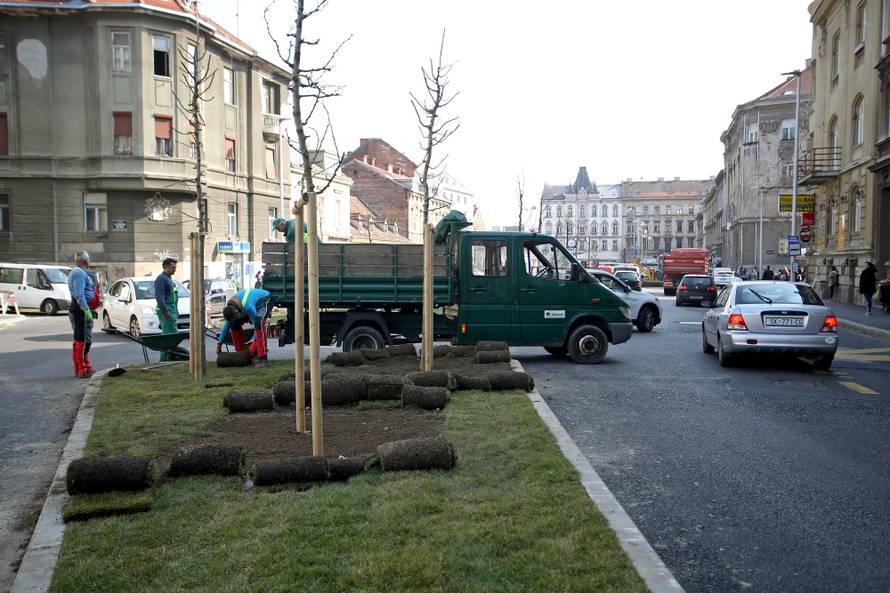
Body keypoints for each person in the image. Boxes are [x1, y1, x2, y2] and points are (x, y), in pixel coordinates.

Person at [217, 287, 272, 368]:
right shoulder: (230, 309)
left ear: (237, 311)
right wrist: (219, 344)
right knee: (234, 324)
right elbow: (226, 326)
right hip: (246, 306)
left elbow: (257, 326)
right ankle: (242, 354)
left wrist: (254, 343)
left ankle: (263, 358)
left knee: (259, 322)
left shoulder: (248, 306)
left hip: (266, 299)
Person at [67, 251, 96, 378]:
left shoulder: (76, 272)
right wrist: (86, 310)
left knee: (79, 340)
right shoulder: (78, 273)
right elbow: (79, 294)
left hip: (78, 310)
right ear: (86, 261)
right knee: (84, 341)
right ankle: (83, 369)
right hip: (80, 311)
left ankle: (80, 368)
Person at [154, 258, 179, 361]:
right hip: (167, 310)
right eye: (173, 267)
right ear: (166, 267)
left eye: (175, 267)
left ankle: (169, 359)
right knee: (169, 338)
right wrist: (165, 312)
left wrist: (176, 310)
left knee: (171, 336)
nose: (175, 269)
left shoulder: (168, 278)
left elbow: (173, 297)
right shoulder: (161, 279)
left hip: (171, 309)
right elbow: (159, 297)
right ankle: (164, 361)